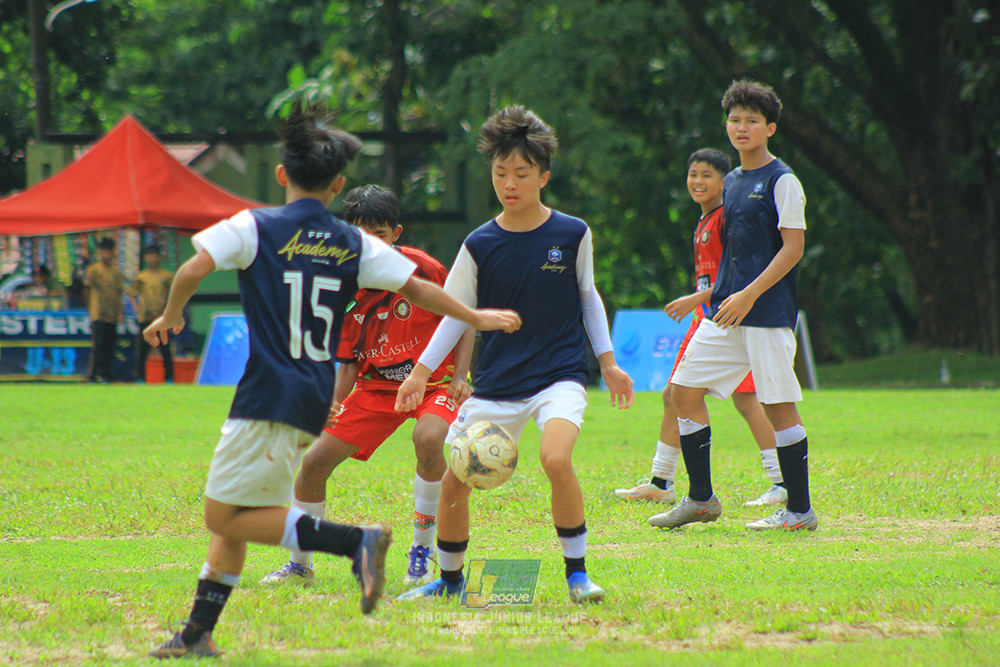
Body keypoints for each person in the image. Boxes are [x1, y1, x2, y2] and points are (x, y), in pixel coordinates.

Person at [145, 106, 521, 659]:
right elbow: (419, 291)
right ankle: (199, 633)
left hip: (267, 392)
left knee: (224, 517)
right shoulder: (352, 243)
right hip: (314, 390)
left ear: (281, 174)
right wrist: (477, 315)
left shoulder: (254, 226)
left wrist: (172, 313)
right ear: (338, 184)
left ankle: (355, 541)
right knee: (235, 517)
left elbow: (193, 267)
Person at [395, 105, 635, 605]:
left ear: (543, 176)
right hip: (497, 385)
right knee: (455, 481)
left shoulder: (572, 233)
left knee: (555, 458)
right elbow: (455, 314)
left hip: (559, 376)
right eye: (500, 172)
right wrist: (419, 373)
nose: (509, 183)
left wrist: (608, 362)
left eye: (522, 173)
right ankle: (451, 581)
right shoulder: (479, 244)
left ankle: (577, 575)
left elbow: (588, 296)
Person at [260, 184, 476, 590]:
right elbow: (348, 362)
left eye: (379, 233)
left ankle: (423, 551)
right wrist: (331, 403)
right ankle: (299, 565)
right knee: (313, 463)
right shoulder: (340, 284)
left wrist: (461, 375)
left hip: (433, 383)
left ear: (396, 234)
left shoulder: (423, 269)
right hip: (375, 389)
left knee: (429, 437)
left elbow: (461, 317)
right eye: (360, 234)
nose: (370, 243)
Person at [648, 80, 817, 532]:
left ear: (770, 128)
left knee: (777, 406)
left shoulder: (782, 180)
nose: (742, 128)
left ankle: (799, 511)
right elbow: (732, 257)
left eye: (752, 121)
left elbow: (793, 248)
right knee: (683, 391)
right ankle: (701, 500)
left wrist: (750, 294)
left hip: (766, 314)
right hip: (725, 313)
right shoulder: (734, 182)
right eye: (735, 120)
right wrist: (715, 296)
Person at [614, 148, 786, 508]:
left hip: (730, 320)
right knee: (673, 394)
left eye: (706, 175)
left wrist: (696, 298)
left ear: (725, 182)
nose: (697, 181)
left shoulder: (726, 219)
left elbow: (738, 277)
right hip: (706, 319)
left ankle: (781, 482)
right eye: (693, 174)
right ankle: (661, 481)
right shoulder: (707, 219)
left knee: (747, 399)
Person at [129, 244, 174, 384]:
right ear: (146, 258)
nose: (152, 259)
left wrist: (170, 309)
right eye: (150, 257)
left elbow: (174, 293)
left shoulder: (167, 276)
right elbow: (131, 293)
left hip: (161, 318)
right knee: (142, 350)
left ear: (159, 257)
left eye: (155, 256)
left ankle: (169, 378)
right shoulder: (141, 277)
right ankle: (140, 378)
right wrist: (136, 307)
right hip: (145, 317)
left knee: (165, 349)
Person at [84, 237, 123, 383]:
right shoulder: (93, 270)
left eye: (108, 251)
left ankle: (107, 375)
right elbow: (86, 290)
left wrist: (119, 313)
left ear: (112, 253)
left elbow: (118, 293)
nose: (105, 254)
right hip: (98, 313)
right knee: (98, 346)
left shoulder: (115, 272)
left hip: (112, 314)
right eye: (103, 251)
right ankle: (93, 376)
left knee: (110, 346)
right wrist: (90, 308)